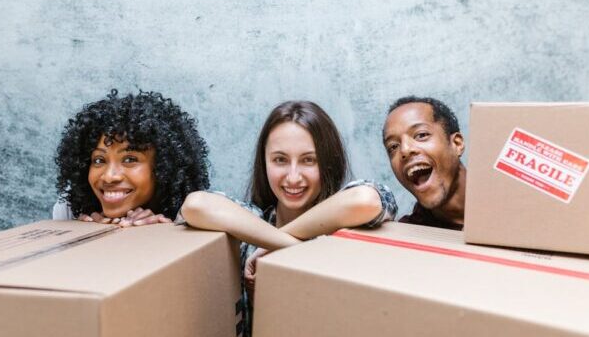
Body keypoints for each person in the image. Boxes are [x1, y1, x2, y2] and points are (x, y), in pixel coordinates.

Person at [178, 100, 397, 337]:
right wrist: (289, 245)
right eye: (280, 160)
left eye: (308, 160)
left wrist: (287, 250)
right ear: (265, 163)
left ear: (328, 163)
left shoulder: (347, 227)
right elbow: (195, 205)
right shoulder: (250, 225)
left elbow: (365, 201)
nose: (293, 177)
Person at [53, 89, 210, 226]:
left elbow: (197, 205)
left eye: (129, 159)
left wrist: (172, 225)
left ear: (164, 168)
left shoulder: (205, 211)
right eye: (99, 160)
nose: (109, 177)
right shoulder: (68, 211)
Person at [382, 96, 466, 230]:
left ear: (456, 144)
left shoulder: (507, 194)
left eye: (421, 135)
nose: (405, 150)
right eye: (393, 147)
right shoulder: (409, 237)